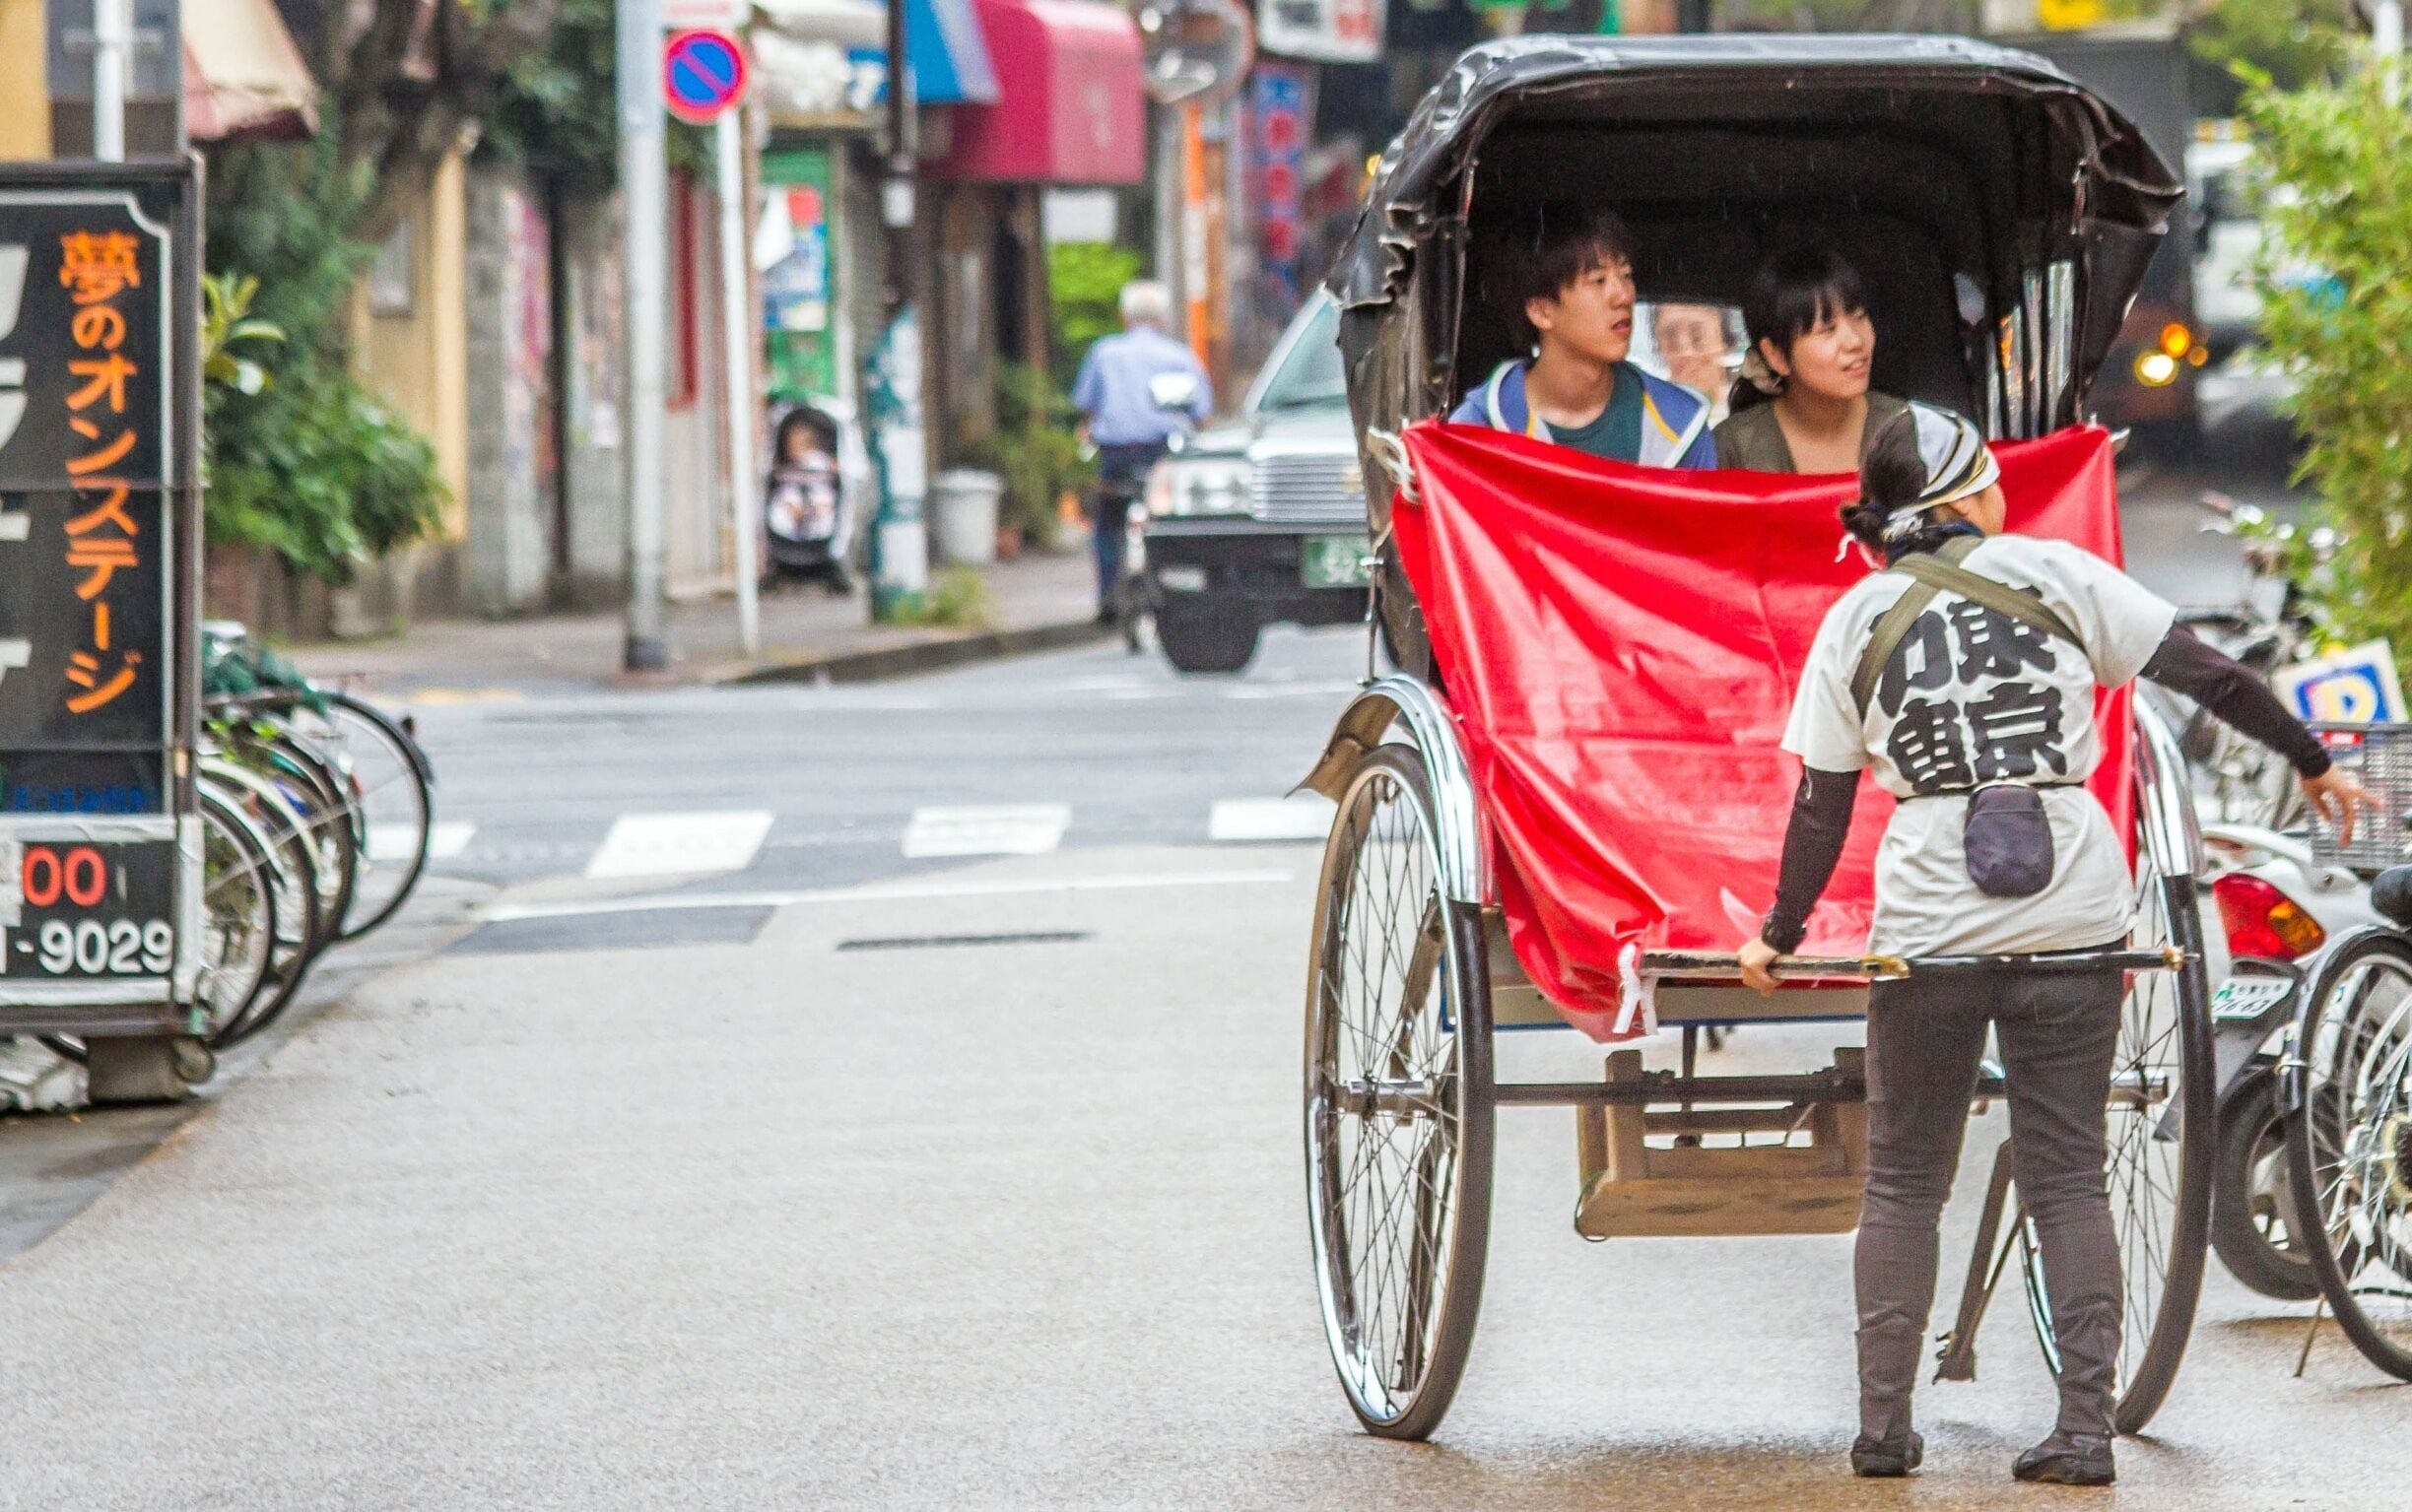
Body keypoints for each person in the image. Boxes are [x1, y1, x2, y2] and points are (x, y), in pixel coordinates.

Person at [1734, 403, 2378, 1486]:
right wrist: (2311, 757)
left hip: (1933, 924)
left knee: (1902, 1182)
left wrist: (1777, 934)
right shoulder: (2058, 574)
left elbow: (1821, 804)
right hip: (2077, 910)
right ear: (1959, 501)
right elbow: (2207, 674)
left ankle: (1885, 1428)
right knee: (2069, 1174)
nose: (2003, 496)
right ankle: (2085, 1429)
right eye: (1989, 480)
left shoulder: (1858, 618)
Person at [1449, 205, 1716, 468]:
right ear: (1541, 311)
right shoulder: (1478, 432)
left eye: (1626, 275)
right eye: (1599, 281)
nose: (1624, 296)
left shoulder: (1679, 425)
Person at [1071, 281, 1213, 622]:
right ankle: (1171, 583)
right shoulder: (1178, 356)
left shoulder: (1104, 353)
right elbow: (1201, 413)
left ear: (1125, 316)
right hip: (1161, 455)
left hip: (1115, 455)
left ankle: (1107, 591)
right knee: (1171, 519)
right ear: (1163, 319)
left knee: (1106, 524)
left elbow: (1086, 407)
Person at [1713, 246, 1908, 474]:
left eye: (1860, 317)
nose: (1855, 341)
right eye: (1827, 329)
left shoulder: (1912, 430)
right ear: (1776, 355)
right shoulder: (1733, 446)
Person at [761, 406, 850, 594]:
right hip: (793, 507)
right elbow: (783, 492)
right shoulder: (785, 468)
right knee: (782, 511)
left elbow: (826, 491)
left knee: (822, 515)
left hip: (817, 505)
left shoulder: (820, 463)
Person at [1648, 302, 1740, 424]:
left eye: (1697, 337)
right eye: (1670, 336)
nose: (1685, 352)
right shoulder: (1647, 415)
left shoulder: (1746, 413)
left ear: (1724, 342)